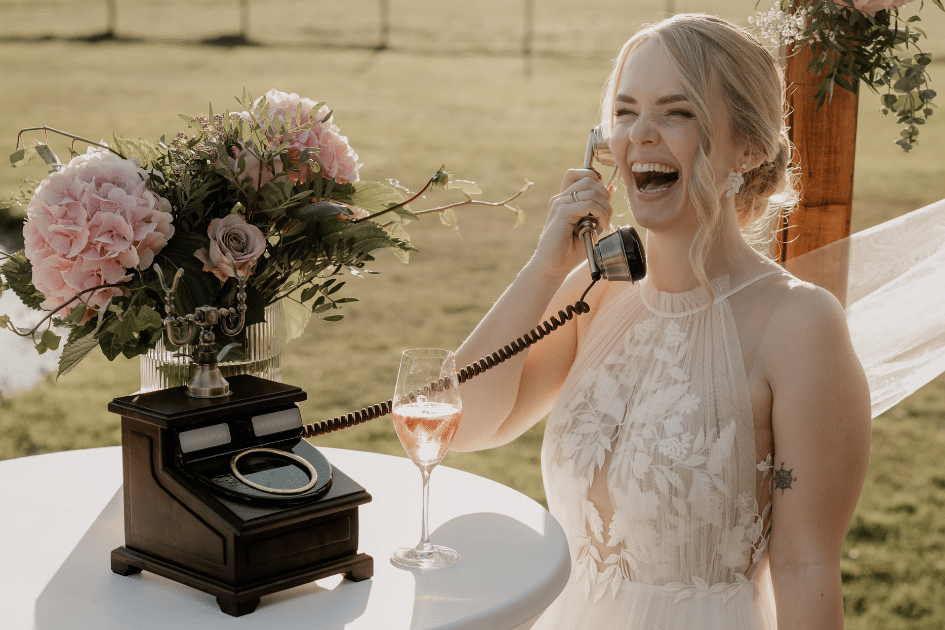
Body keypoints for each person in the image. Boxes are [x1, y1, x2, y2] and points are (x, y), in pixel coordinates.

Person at [450, 13, 871, 630]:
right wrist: (545, 266)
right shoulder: (596, 292)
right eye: (624, 113)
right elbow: (463, 425)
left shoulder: (801, 324)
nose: (639, 136)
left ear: (748, 148)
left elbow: (807, 570)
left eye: (676, 112)